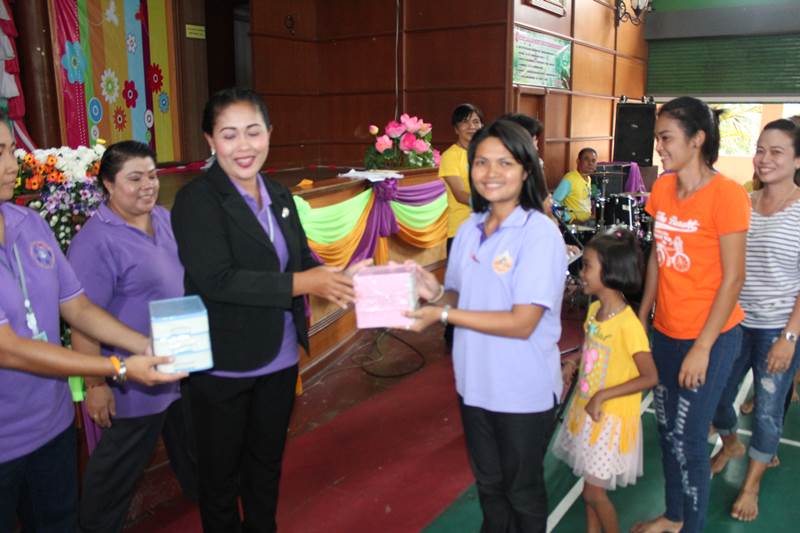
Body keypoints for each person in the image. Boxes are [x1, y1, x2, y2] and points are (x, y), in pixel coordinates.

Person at [171, 87, 361, 532]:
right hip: (223, 364)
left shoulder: (277, 193)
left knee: (265, 467)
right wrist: (305, 283)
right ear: (210, 141)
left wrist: (340, 275)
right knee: (220, 480)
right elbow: (218, 279)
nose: (244, 146)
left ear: (270, 134)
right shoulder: (197, 200)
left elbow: (299, 258)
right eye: (229, 135)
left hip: (279, 359)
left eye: (253, 132)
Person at [0, 112, 183, 531]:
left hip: (51, 428)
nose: (12, 164)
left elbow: (78, 307)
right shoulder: (96, 239)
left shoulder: (30, 223)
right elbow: (8, 349)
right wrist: (113, 369)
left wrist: (144, 347)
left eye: (11, 150)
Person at [407, 119, 567, 532]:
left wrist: (444, 315)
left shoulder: (539, 233)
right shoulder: (469, 230)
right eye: (481, 162)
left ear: (526, 170)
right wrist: (433, 293)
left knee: (522, 492)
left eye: (505, 163)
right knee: (490, 487)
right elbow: (459, 298)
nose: (491, 173)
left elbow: (522, 322)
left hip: (522, 390)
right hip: (475, 384)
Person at [632, 96, 750, 533]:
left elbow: (733, 279)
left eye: (666, 137)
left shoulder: (727, 195)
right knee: (667, 432)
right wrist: (643, 314)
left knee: (691, 439)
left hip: (712, 338)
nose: (659, 146)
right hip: (666, 333)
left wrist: (702, 347)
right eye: (658, 137)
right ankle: (674, 516)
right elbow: (658, 256)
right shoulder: (663, 188)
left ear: (697, 139)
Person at [67, 141, 197, 532]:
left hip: (180, 360)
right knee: (119, 466)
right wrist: (95, 384)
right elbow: (82, 318)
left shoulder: (164, 218)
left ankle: (206, 498)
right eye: (135, 178)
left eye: (152, 176)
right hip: (133, 376)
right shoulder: (94, 242)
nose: (148, 186)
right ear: (108, 184)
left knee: (192, 442)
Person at [706, 119, 800, 522]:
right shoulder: (741, 203)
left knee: (766, 410)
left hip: (778, 327)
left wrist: (789, 337)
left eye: (776, 151)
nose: (764, 158)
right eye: (760, 149)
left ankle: (751, 484)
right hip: (734, 323)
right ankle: (730, 444)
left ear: (797, 160)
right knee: (716, 396)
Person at [552, 229, 657, 533]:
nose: (581, 272)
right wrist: (575, 360)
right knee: (590, 489)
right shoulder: (596, 310)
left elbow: (650, 376)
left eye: (587, 266)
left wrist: (602, 395)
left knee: (593, 494)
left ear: (610, 273)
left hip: (610, 422)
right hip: (588, 413)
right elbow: (592, 348)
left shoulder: (628, 326)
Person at [439, 103, 484, 252]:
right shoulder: (450, 156)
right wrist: (489, 204)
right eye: (465, 122)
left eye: (476, 121)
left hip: (487, 227)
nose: (471, 126)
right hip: (460, 230)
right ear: (456, 129)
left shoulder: (487, 154)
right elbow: (459, 194)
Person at [553, 147, 597, 223]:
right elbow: (553, 202)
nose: (590, 163)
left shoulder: (588, 178)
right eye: (586, 159)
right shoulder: (570, 179)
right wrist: (569, 219)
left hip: (587, 223)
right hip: (573, 225)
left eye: (593, 161)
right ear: (578, 161)